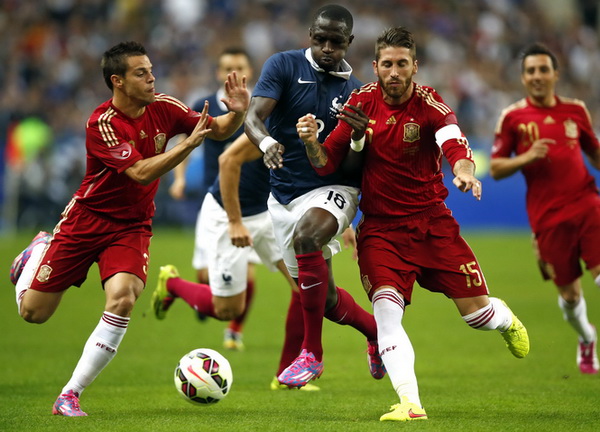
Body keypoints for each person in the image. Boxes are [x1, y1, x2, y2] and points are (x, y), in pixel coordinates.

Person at [297, 26, 530, 422]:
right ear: (375, 67)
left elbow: (454, 143)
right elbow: (327, 163)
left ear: (415, 67)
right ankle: (410, 403)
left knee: (478, 316)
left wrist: (464, 171)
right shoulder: (360, 102)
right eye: (386, 64)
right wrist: (309, 141)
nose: (394, 72)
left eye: (402, 64)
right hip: (382, 231)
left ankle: (503, 318)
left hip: (432, 225)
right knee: (387, 312)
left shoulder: (430, 105)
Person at [9, 41, 250, 416]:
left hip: (132, 226)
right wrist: (188, 145)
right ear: (117, 81)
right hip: (86, 221)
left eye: (151, 69)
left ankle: (69, 394)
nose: (152, 77)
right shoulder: (102, 123)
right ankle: (37, 251)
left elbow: (214, 129)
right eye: (141, 72)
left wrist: (237, 114)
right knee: (33, 313)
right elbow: (139, 172)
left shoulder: (165, 106)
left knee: (123, 297)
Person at [244, 3, 384, 389]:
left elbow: (356, 169)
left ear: (349, 43)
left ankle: (312, 355)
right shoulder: (284, 66)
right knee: (325, 301)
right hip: (284, 197)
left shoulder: (358, 93)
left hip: (334, 189)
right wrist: (268, 141)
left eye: (335, 42)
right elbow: (252, 118)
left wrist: (358, 138)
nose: (326, 47)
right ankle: (377, 335)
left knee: (308, 236)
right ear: (310, 35)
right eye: (320, 39)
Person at [151, 133, 319, 391]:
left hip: (268, 211)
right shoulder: (268, 118)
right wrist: (235, 222)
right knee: (228, 310)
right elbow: (227, 158)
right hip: (229, 214)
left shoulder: (309, 117)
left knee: (304, 285)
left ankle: (286, 375)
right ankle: (172, 284)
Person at [490, 43, 600, 374]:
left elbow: (594, 153)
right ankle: (587, 338)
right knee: (569, 297)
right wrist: (526, 156)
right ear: (524, 78)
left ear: (555, 74)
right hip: (548, 218)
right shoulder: (513, 117)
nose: (537, 76)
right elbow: (495, 168)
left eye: (543, 70)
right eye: (531, 71)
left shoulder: (577, 111)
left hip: (587, 203)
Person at [169, 47, 256, 350]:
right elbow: (186, 142)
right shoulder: (203, 104)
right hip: (214, 200)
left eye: (240, 66)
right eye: (227, 67)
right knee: (206, 272)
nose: (234, 72)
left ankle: (234, 330)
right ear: (219, 73)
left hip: (252, 201)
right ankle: (189, 290)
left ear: (250, 71)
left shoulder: (260, 104)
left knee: (249, 266)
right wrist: (179, 179)